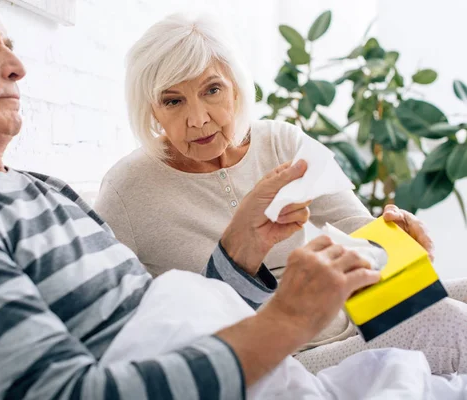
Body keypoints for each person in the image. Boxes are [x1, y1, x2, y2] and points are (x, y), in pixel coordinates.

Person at [0, 1, 390, 398]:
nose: (18, 66)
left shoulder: (38, 188)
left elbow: (162, 323)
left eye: (212, 90)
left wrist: (239, 254)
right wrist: (287, 321)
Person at [94, 13, 467, 373]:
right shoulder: (126, 189)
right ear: (152, 111)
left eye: (212, 90)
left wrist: (396, 238)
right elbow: (113, 323)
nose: (198, 118)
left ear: (236, 87)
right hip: (282, 360)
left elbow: (359, 230)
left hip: (351, 316)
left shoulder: (281, 142)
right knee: (444, 324)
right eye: (173, 101)